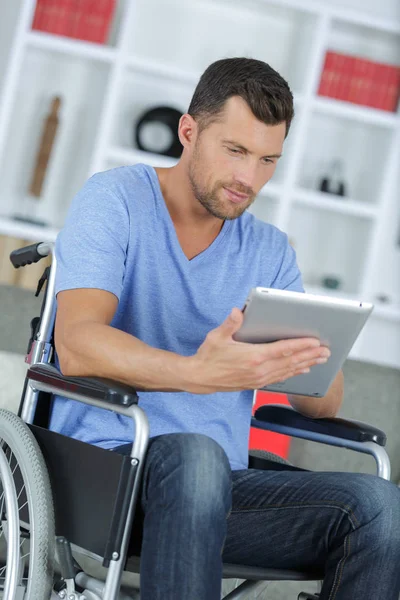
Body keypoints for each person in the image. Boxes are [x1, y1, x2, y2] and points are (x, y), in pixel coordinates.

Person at [50, 57, 400, 599]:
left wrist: (307, 356)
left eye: (267, 160)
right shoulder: (114, 199)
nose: (249, 179)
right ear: (189, 131)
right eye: (235, 151)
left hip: (224, 495)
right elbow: (76, 345)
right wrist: (197, 373)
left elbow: (322, 407)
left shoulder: (269, 252)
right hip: (112, 473)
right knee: (195, 457)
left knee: (381, 507)